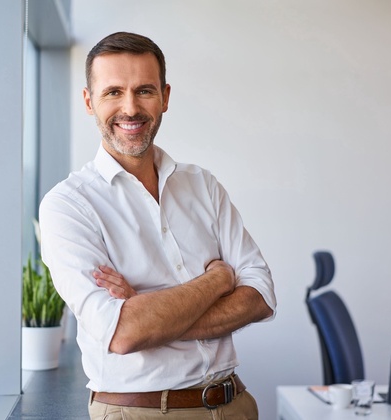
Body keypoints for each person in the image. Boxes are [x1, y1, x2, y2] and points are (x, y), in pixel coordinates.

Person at [38, 31, 277, 420]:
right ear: (88, 101)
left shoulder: (203, 185)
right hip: (144, 413)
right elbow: (125, 333)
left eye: (144, 90)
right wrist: (217, 281)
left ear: (165, 96)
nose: (130, 108)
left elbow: (260, 296)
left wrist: (151, 312)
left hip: (236, 405)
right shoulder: (67, 206)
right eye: (113, 92)